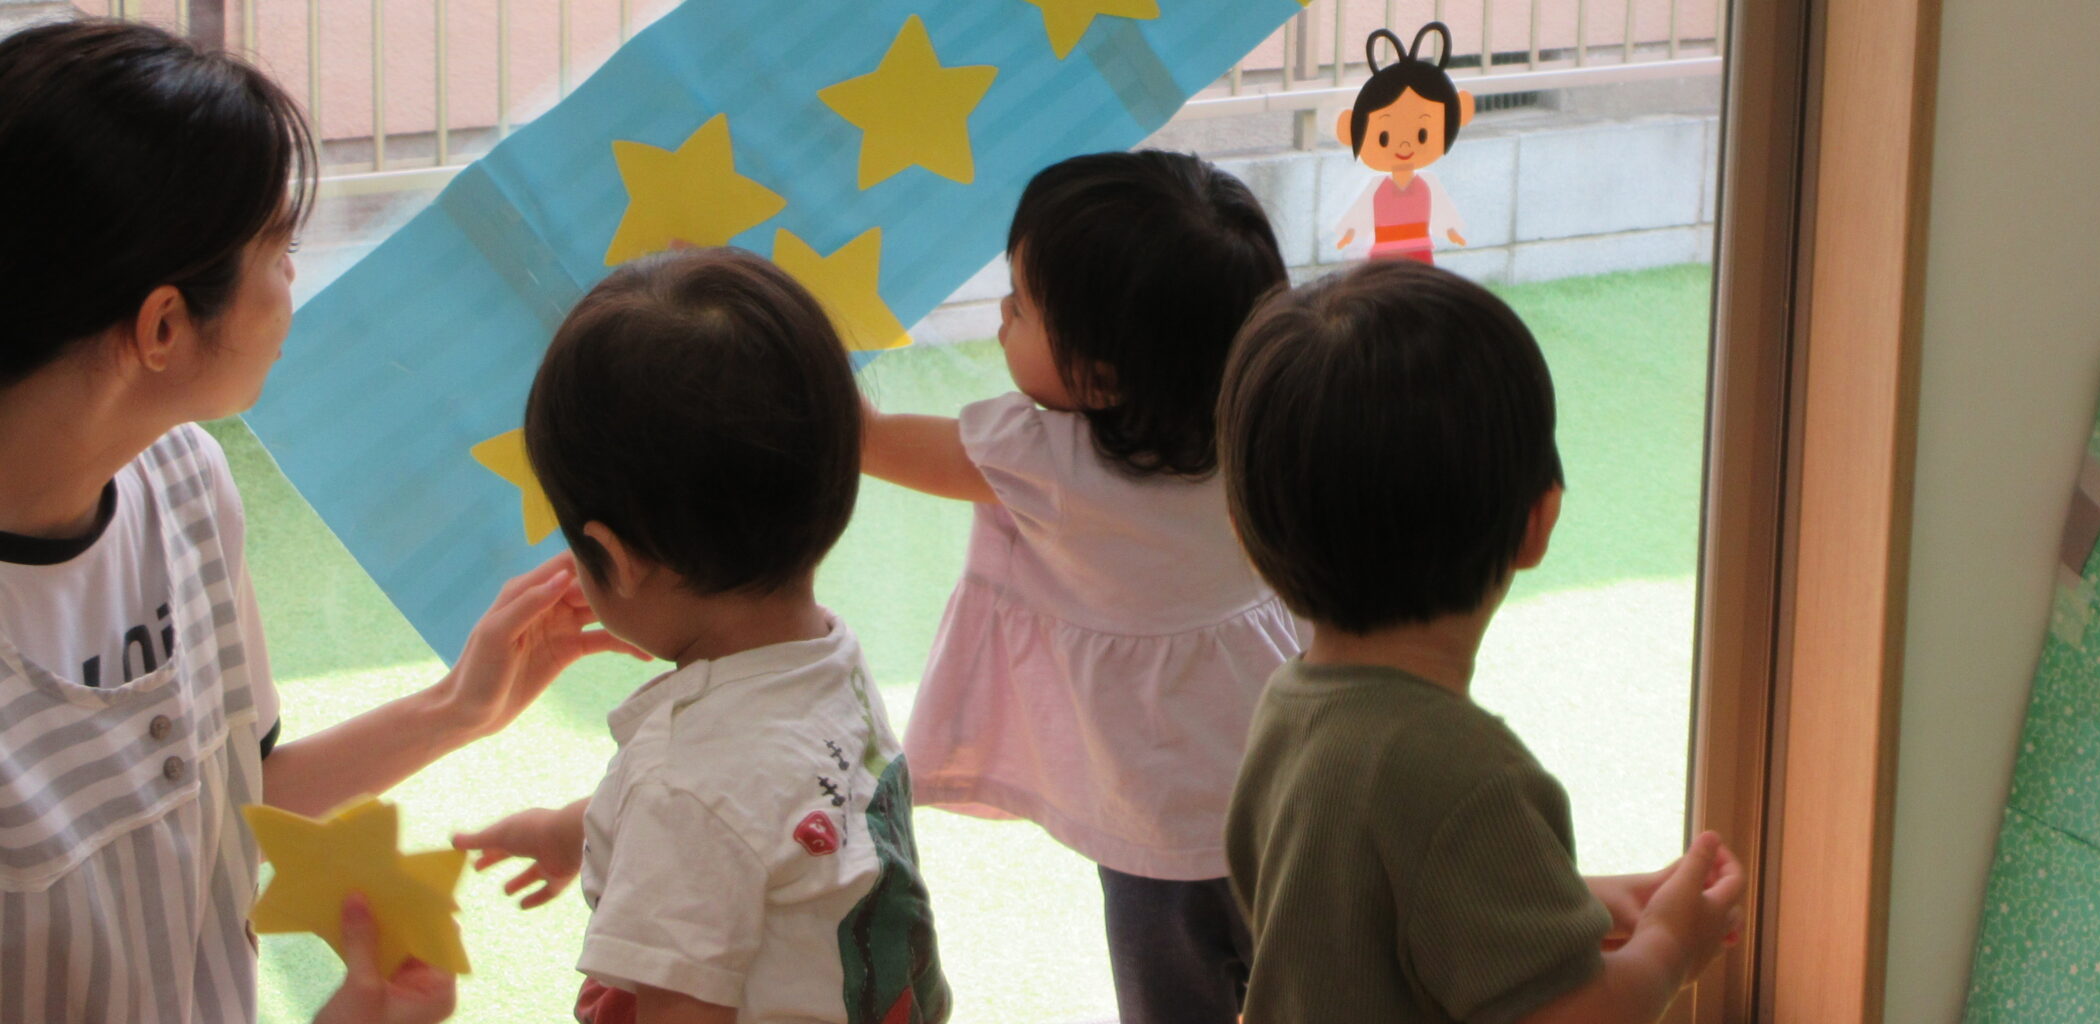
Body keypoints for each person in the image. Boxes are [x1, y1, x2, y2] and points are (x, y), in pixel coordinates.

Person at [0, 16, 636, 1024]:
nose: (293, 277)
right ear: (163, 325)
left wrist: (458, 708)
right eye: (278, 248)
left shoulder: (185, 482)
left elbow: (233, 799)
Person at [1219, 260, 1747, 1024]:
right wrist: (1670, 947)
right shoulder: (1464, 777)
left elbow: (1370, 909)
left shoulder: (1291, 711)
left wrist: (1580, 905)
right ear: (1539, 521)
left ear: (1246, 531)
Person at [454, 248, 948, 1024]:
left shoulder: (682, 786)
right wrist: (566, 832)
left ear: (616, 558)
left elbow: (705, 804)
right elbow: (755, 805)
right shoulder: (823, 655)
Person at [863, 151, 1298, 1024]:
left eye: (1021, 305)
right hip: (1296, 795)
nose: (1002, 314)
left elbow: (865, 438)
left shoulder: (1045, 462)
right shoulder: (1270, 426)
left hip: (1155, 835)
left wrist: (760, 302)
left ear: (1101, 374)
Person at [1332, 23, 1475, 264]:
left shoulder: (1426, 184)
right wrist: (1349, 233)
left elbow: (1442, 211)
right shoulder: (1378, 187)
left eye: (1422, 135)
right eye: (1384, 138)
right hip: (1385, 251)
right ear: (1349, 129)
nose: (1406, 146)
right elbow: (1360, 213)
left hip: (1419, 247)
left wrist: (1452, 232)